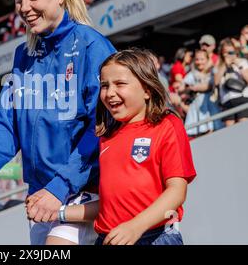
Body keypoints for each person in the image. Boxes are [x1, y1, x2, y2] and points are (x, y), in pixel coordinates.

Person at [0, 0, 116, 245]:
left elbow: (102, 125)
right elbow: (5, 122)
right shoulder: (24, 55)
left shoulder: (92, 46)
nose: (24, 8)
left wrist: (61, 186)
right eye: (18, 0)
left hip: (84, 190)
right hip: (41, 196)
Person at [31, 49, 196, 245]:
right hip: (108, 239)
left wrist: (135, 226)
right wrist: (58, 212)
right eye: (104, 85)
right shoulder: (106, 136)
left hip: (156, 237)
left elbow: (177, 191)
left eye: (120, 84)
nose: (110, 93)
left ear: (147, 89)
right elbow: (108, 206)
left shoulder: (167, 125)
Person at [183, 50, 223, 138]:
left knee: (212, 131)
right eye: (197, 59)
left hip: (210, 107)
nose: (199, 62)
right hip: (196, 108)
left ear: (207, 60)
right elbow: (183, 88)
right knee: (199, 133)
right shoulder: (192, 74)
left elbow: (208, 86)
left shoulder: (212, 73)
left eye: (202, 59)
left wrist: (194, 87)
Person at [214, 38, 248, 127]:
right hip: (226, 101)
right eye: (225, 52)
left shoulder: (242, 62)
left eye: (231, 52)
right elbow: (216, 82)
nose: (228, 55)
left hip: (242, 98)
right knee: (229, 130)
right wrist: (224, 65)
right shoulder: (218, 66)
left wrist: (237, 64)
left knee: (243, 127)